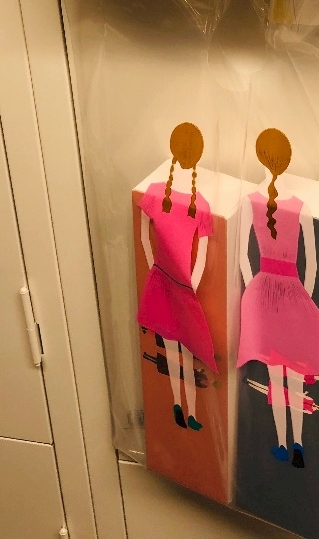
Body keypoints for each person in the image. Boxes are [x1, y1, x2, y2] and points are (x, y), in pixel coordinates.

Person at [237, 129, 319, 468]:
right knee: (296, 376)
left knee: (275, 379)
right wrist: (302, 301)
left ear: (259, 156)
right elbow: (313, 265)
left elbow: (243, 256)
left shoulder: (249, 201)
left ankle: (282, 444)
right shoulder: (302, 207)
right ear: (287, 159)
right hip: (292, 293)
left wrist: (254, 292)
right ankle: (297, 444)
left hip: (264, 294)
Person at [137, 123, 216, 431]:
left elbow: (145, 238)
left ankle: (186, 409)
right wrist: (168, 276)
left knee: (181, 351)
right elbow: (200, 256)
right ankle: (182, 409)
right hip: (174, 284)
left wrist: (158, 271)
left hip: (174, 284)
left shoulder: (192, 202)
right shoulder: (174, 198)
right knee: (179, 351)